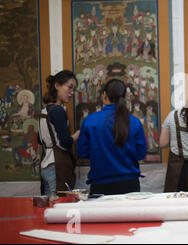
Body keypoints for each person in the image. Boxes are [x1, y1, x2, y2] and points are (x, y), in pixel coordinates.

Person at [77, 79, 147, 195]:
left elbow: (82, 152)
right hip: (130, 183)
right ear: (125, 97)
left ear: (104, 95)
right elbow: (141, 153)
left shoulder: (90, 121)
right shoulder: (134, 122)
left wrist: (100, 153)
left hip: (100, 184)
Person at [38, 70, 80, 198]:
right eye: (69, 87)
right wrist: (80, 132)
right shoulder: (58, 111)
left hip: (45, 166)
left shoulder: (44, 111)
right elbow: (65, 142)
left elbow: (40, 140)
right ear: (57, 86)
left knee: (49, 209)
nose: (72, 92)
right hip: (57, 169)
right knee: (59, 209)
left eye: (74, 89)